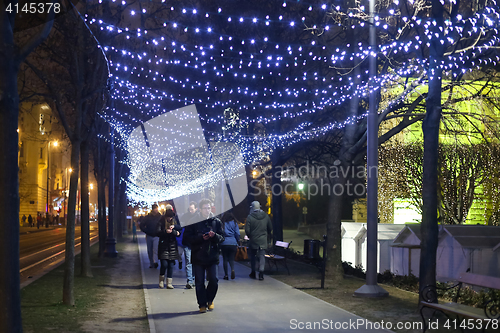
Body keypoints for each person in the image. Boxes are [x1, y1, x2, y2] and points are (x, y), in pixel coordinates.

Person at [184, 199, 224, 313]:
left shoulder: (216, 221)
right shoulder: (193, 222)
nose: (207, 210)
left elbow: (222, 238)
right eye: (205, 208)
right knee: (199, 282)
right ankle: (202, 303)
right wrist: (201, 238)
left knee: (214, 280)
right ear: (200, 209)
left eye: (209, 208)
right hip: (198, 256)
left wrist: (214, 236)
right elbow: (186, 239)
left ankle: (210, 299)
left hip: (212, 256)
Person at [245, 201, 272, 281]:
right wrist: (266, 235)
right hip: (263, 239)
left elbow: (247, 230)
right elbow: (270, 227)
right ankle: (261, 273)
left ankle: (253, 272)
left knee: (253, 256)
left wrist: (250, 236)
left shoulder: (250, 217)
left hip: (253, 239)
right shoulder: (266, 216)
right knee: (262, 256)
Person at [157, 208, 181, 289]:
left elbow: (179, 231)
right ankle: (161, 281)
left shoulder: (175, 222)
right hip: (163, 246)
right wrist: (165, 232)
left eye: (171, 217)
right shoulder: (161, 222)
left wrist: (174, 231)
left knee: (171, 265)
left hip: (173, 247)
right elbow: (157, 232)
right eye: (168, 217)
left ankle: (169, 283)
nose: (169, 219)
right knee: (164, 264)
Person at [180, 201, 197, 289]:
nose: (191, 211)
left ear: (196, 209)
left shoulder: (199, 217)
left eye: (192, 209)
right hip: (187, 242)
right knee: (189, 261)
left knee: (195, 262)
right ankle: (190, 281)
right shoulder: (185, 216)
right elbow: (180, 225)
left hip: (196, 243)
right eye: (189, 209)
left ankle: (193, 279)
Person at [140, 204, 162, 268]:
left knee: (155, 249)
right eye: (155, 208)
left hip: (156, 235)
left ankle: (155, 262)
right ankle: (151, 263)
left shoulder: (160, 217)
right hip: (149, 235)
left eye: (156, 208)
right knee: (150, 250)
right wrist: (146, 231)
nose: (156, 209)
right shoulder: (147, 217)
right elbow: (142, 225)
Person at [220, 211, 240, 280]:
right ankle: (232, 269)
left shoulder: (222, 223)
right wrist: (237, 241)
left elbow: (220, 233)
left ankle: (226, 275)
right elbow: (237, 233)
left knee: (225, 259)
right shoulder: (234, 223)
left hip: (224, 243)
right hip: (233, 242)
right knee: (231, 258)